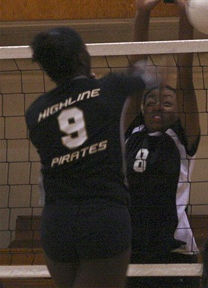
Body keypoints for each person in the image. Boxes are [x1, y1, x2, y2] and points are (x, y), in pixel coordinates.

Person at [25, 26, 158, 288]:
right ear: (82, 58)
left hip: (57, 223)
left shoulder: (35, 113)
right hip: (102, 218)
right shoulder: (110, 89)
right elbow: (147, 74)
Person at [125, 0, 201, 288]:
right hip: (130, 248)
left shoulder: (182, 137)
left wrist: (186, 15)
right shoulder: (131, 131)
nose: (157, 104)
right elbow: (136, 69)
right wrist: (142, 12)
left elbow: (184, 74)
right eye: (152, 100)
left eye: (167, 102)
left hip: (176, 251)